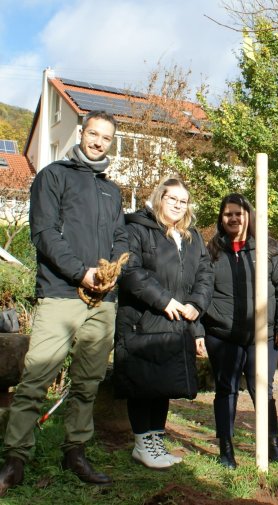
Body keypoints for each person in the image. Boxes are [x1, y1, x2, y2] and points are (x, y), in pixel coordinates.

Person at [0, 110, 128, 495]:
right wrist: (81, 273)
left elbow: (121, 239)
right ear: (81, 133)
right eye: (93, 134)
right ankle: (15, 459)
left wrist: (112, 272)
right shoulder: (53, 176)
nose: (98, 142)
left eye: (106, 138)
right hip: (60, 294)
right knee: (36, 378)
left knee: (87, 383)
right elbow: (43, 233)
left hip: (103, 303)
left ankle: (75, 451)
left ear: (111, 143)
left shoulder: (113, 190)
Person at [113, 178, 213, 469]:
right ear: (159, 198)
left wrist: (196, 308)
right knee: (143, 384)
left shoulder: (192, 238)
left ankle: (156, 442)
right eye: (172, 199)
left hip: (177, 324)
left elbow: (205, 276)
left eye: (183, 202)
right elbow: (129, 270)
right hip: (142, 321)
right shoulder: (138, 229)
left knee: (163, 385)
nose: (178, 206)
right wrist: (164, 301)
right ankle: (143, 444)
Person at [201, 193, 278, 468]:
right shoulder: (212, 252)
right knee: (226, 390)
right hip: (223, 335)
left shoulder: (269, 248)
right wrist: (198, 329)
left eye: (238, 213)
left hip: (263, 335)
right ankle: (226, 449)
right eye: (227, 214)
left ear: (249, 216)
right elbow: (200, 291)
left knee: (263, 390)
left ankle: (273, 446)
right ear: (221, 219)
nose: (233, 218)